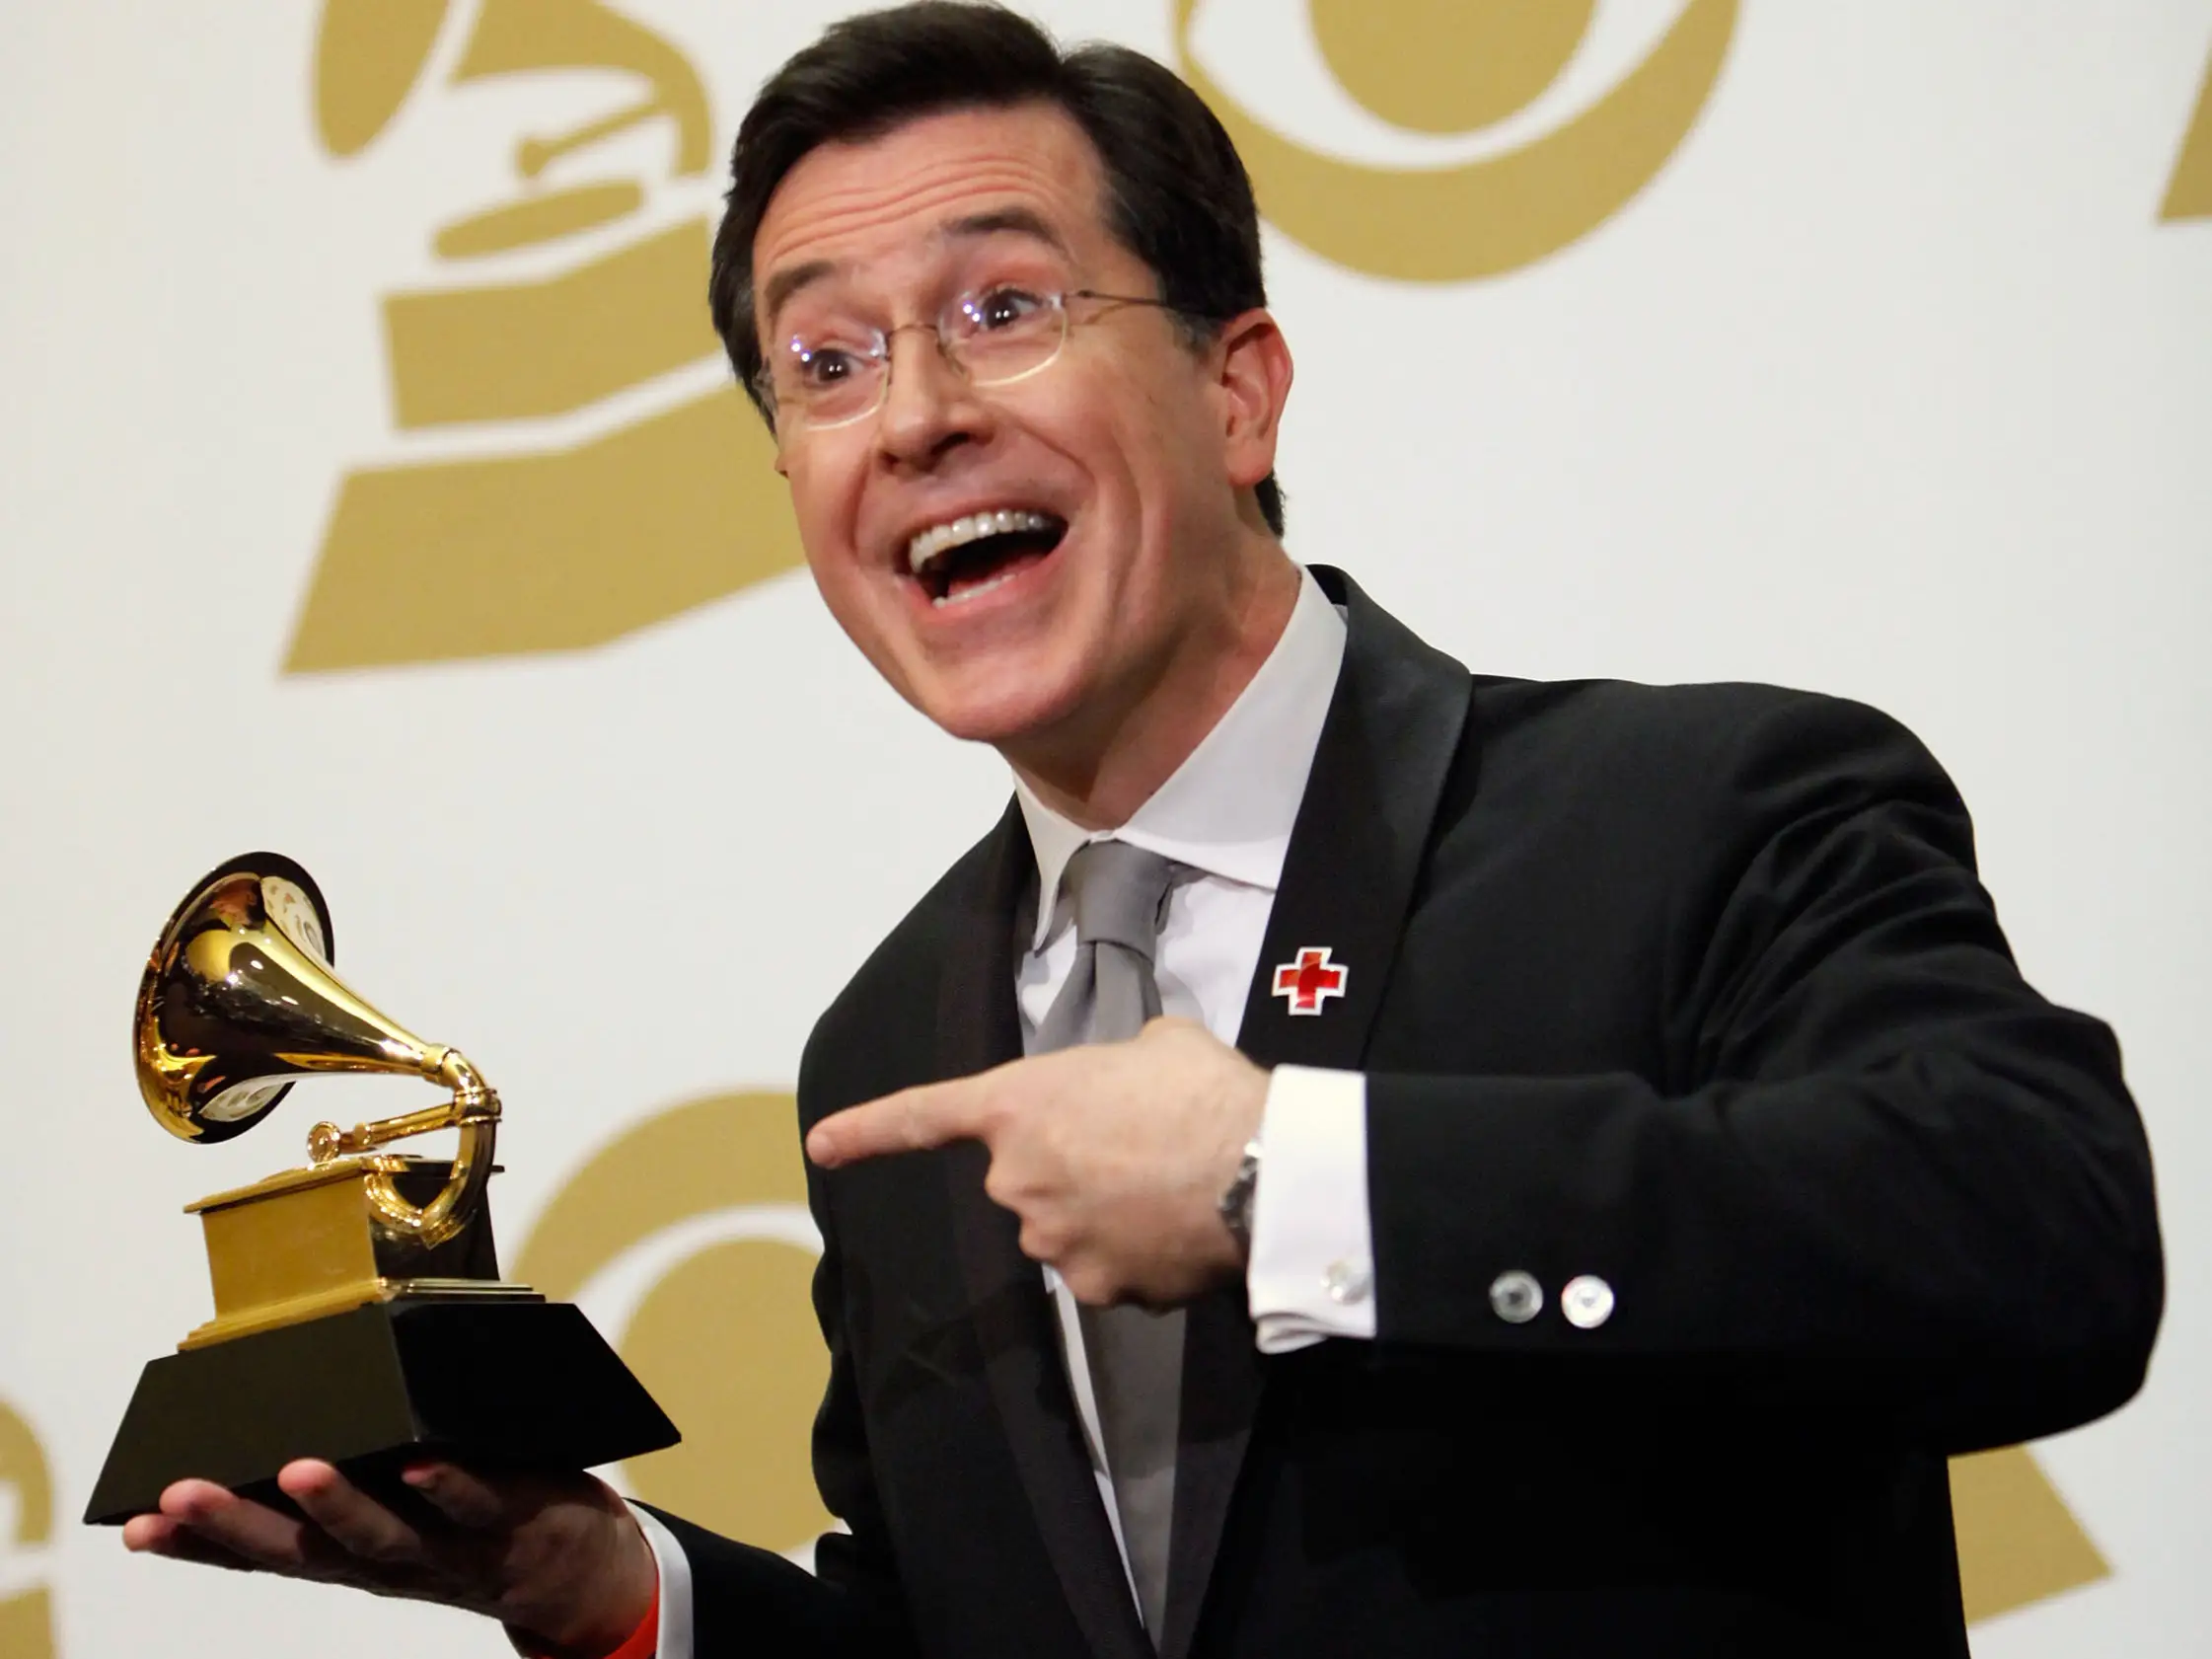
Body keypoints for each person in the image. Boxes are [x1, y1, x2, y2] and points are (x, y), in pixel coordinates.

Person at [124, 5, 2164, 1656]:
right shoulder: (894, 1043)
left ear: (1238, 391)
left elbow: (2039, 1244)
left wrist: (1299, 1182)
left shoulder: (1703, 811)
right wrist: (603, 1589)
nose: (911, 410)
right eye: (823, 362)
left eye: (1000, 308)